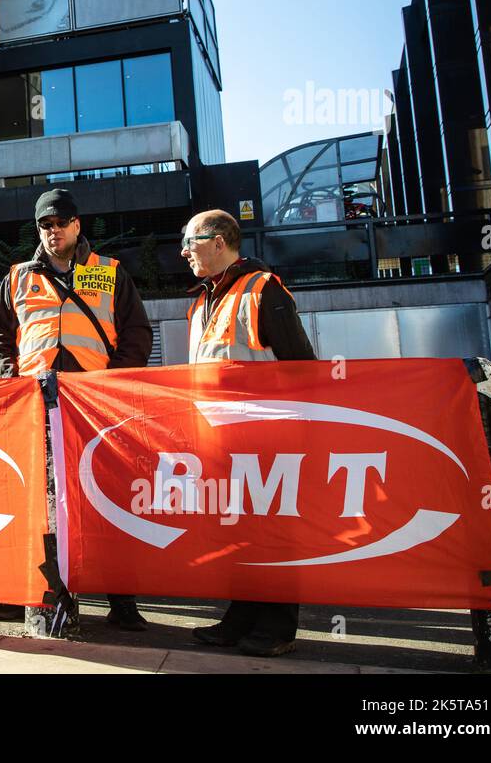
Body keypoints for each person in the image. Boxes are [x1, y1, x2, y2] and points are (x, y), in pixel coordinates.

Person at [0, 188, 153, 629]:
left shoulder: (110, 272)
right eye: (45, 224)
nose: (53, 230)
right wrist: (10, 379)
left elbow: (137, 335)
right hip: (36, 405)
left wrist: (109, 384)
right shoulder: (18, 277)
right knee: (41, 503)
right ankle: (44, 596)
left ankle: (121, 601)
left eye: (60, 222)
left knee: (105, 497)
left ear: (77, 225)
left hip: (95, 406)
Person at [182, 208, 315, 658]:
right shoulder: (201, 302)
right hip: (221, 441)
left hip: (267, 439)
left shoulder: (264, 289)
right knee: (236, 531)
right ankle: (240, 618)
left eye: (192, 241)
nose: (184, 251)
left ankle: (278, 627)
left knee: (272, 532)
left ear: (220, 241)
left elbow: (301, 366)